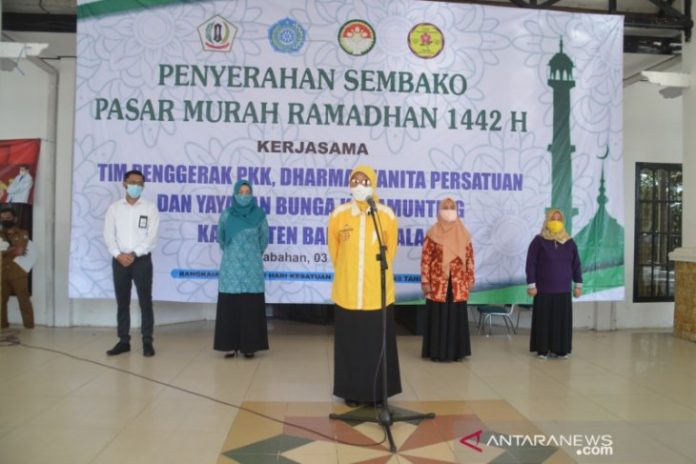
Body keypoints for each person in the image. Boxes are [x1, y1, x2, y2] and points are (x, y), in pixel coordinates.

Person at [328, 165, 401, 407]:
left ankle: (378, 392)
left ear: (373, 183)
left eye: (364, 180)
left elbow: (390, 252)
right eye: (355, 180)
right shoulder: (339, 214)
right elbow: (335, 251)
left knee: (375, 344)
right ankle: (351, 391)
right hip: (347, 292)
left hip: (376, 293)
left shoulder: (386, 214)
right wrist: (350, 271)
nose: (359, 184)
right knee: (352, 345)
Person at [103, 169, 160, 357]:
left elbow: (152, 237)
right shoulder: (114, 208)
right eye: (132, 182)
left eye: (140, 183)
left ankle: (147, 341)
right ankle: (123, 340)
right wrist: (118, 254)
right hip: (119, 260)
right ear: (124, 183)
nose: (136, 186)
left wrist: (134, 254)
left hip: (141, 260)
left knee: (145, 301)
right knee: (122, 301)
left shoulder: (149, 208)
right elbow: (108, 235)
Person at [214, 180, 269, 359]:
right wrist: (234, 254)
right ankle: (229, 345)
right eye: (241, 192)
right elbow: (221, 238)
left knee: (250, 306)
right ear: (235, 194)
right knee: (230, 305)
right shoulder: (227, 215)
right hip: (231, 268)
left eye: (247, 192)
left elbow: (264, 239)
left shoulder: (259, 215)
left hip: (252, 268)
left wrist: (251, 254)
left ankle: (249, 346)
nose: (244, 196)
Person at [420, 198, 474, 362]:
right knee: (438, 316)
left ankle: (458, 352)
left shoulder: (463, 233)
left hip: (458, 282)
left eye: (452, 207)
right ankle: (436, 352)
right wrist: (425, 281)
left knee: (456, 315)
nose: (449, 210)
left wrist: (470, 278)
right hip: (438, 282)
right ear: (439, 210)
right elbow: (425, 259)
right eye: (445, 207)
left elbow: (470, 258)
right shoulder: (432, 232)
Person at [525, 208, 582, 359]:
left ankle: (560, 349)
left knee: (561, 322)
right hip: (543, 290)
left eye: (559, 219)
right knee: (544, 321)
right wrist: (531, 285)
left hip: (563, 290)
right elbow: (531, 264)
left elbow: (576, 264)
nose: (556, 222)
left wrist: (578, 285)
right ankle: (543, 349)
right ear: (547, 221)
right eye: (553, 219)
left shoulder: (569, 242)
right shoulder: (539, 241)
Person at [0, 207, 34, 329]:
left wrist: (4, 251)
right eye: (2, 218)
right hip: (2, 272)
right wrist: (11, 251)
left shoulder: (22, 233)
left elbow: (20, 250)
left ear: (15, 218)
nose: (5, 220)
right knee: (1, 301)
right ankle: (2, 325)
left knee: (24, 300)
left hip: (18, 272)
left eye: (8, 218)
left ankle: (29, 326)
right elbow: (15, 251)